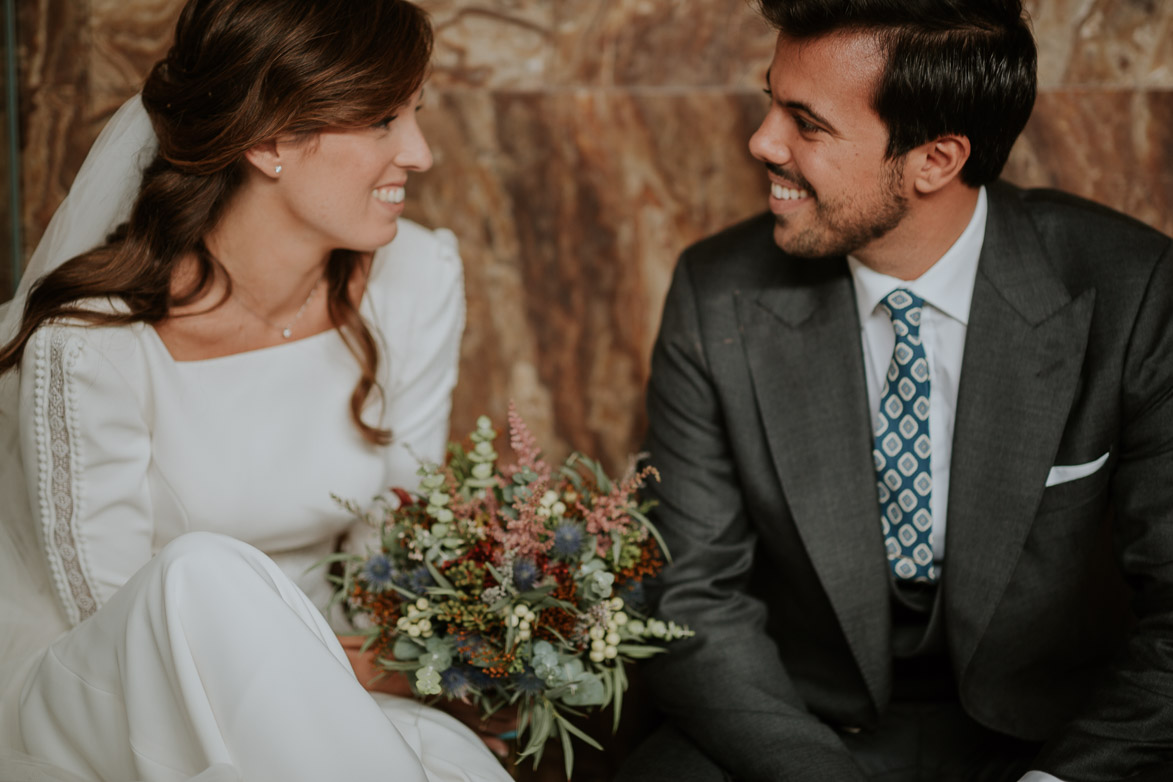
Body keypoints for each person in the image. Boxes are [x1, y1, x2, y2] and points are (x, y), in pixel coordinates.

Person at [621, 1, 1173, 781]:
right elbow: (693, 594)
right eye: (768, 99)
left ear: (935, 160)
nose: (761, 140)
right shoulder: (716, 290)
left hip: (1055, 738)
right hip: (801, 724)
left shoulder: (1132, 289)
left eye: (805, 123)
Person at [0, 0, 513, 780]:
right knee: (200, 571)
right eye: (381, 119)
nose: (420, 153)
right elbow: (106, 615)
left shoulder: (416, 278)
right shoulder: (92, 339)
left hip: (335, 672)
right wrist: (330, 668)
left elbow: (395, 548)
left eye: (415, 113)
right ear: (271, 140)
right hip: (118, 684)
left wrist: (411, 661)